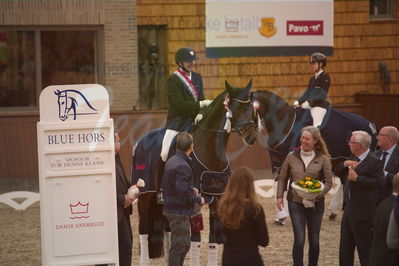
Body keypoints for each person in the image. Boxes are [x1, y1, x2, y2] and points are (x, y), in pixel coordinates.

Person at [276, 126, 333, 266]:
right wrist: (279, 196)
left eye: (307, 138)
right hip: (295, 201)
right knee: (300, 239)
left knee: (314, 240)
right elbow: (282, 178)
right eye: (302, 137)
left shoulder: (323, 159)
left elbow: (328, 182)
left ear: (315, 141)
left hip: (316, 203)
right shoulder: (291, 156)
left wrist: (318, 195)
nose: (303, 141)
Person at [335, 130, 385, 266]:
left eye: (350, 142)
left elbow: (380, 183)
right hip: (348, 210)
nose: (348, 144)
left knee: (365, 250)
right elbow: (337, 170)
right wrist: (345, 164)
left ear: (358, 145)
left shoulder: (374, 161)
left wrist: (358, 178)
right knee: (345, 250)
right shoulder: (353, 156)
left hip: (363, 214)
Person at [161, 47, 212, 162]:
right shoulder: (173, 80)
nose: (192, 63)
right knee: (164, 153)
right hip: (178, 122)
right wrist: (200, 105)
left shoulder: (197, 77)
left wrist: (201, 113)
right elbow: (179, 105)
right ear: (180, 63)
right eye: (189, 61)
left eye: (193, 61)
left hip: (195, 120)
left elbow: (201, 100)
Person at [161, 132, 205, 266]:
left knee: (182, 245)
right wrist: (197, 199)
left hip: (173, 209)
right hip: (178, 212)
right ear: (191, 146)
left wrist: (190, 189)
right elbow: (181, 190)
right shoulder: (182, 165)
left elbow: (177, 186)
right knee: (180, 247)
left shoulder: (172, 161)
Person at [218, 166, 269, 266]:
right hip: (250, 259)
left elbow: (218, 237)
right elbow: (264, 241)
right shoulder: (255, 209)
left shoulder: (223, 207)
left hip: (229, 259)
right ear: (251, 185)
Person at [369, 173, 399, 265]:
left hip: (378, 257)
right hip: (390, 259)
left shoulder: (383, 204)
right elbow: (392, 242)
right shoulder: (396, 207)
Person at [294, 52, 331, 128]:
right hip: (310, 106)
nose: (312, 66)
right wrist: (298, 101)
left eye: (314, 63)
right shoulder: (312, 79)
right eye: (311, 64)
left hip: (319, 106)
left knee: (316, 126)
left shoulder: (325, 77)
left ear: (320, 64)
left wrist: (309, 102)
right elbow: (307, 93)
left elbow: (321, 95)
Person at [114, 132, 134, 266]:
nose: (119, 142)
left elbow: (123, 181)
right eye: (117, 140)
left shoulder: (116, 158)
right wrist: (123, 199)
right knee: (124, 246)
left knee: (126, 246)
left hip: (122, 211)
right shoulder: (105, 160)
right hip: (114, 212)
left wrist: (133, 188)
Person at [375, 126, 399, 202]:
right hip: (371, 201)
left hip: (389, 203)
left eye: (380, 135)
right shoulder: (375, 154)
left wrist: (384, 173)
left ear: (389, 139)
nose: (377, 137)